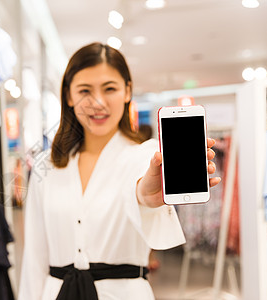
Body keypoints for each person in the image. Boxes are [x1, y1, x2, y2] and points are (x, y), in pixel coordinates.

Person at [18, 42, 220, 300]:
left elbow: (139, 188)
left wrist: (146, 196)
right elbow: (34, 258)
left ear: (127, 91)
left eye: (110, 88)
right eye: (84, 90)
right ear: (68, 96)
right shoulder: (47, 165)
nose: (98, 102)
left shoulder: (146, 155)